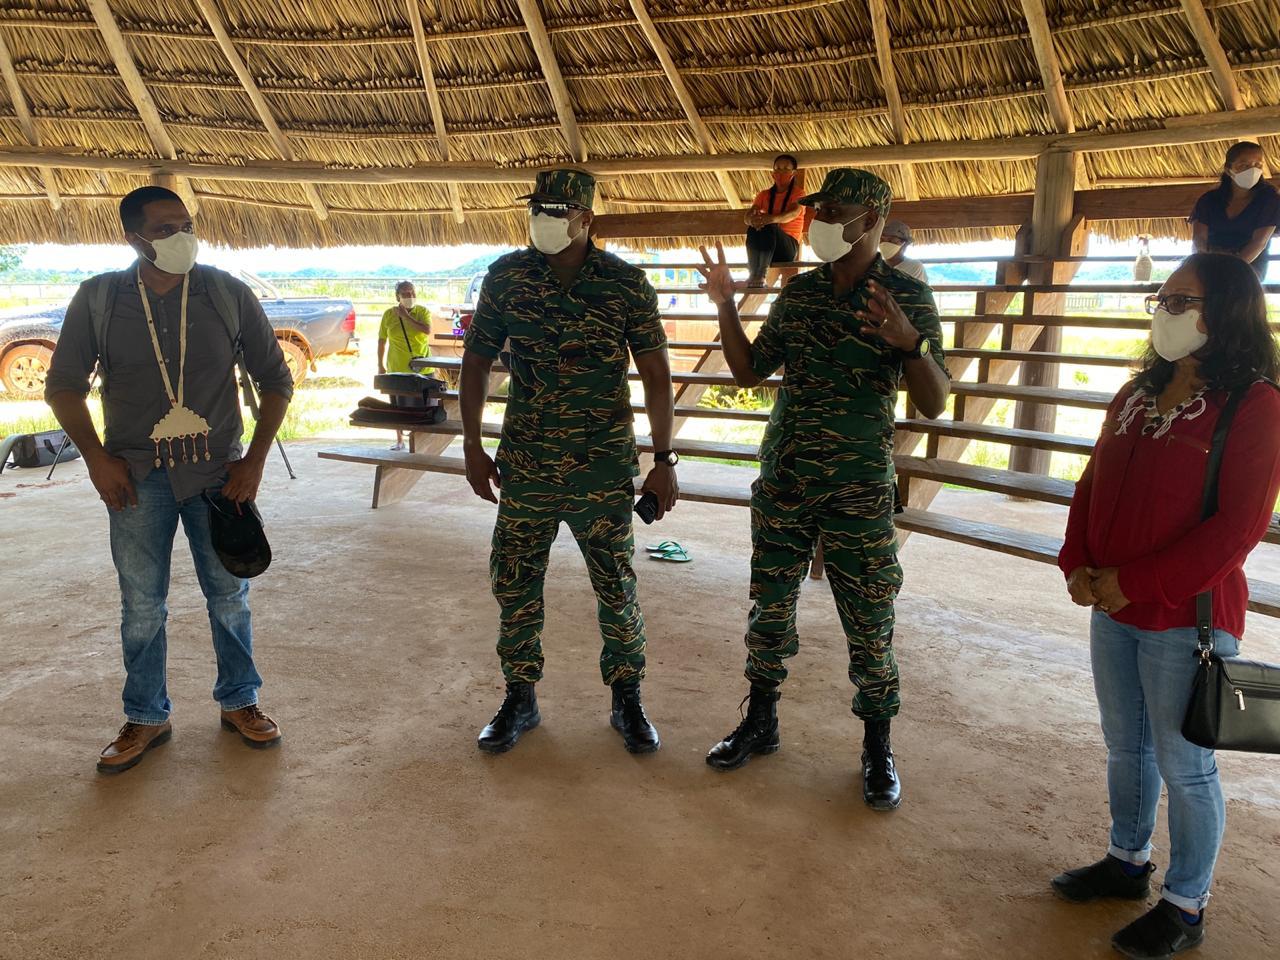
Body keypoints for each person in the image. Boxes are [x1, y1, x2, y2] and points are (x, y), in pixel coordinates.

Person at [696, 168, 950, 809]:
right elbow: (751, 370)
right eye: (817, 211)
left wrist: (909, 343)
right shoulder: (801, 292)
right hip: (785, 477)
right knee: (769, 606)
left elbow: (934, 403)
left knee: (869, 619)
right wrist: (727, 307)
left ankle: (876, 748)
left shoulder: (908, 297)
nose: (819, 222)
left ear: (870, 221)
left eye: (834, 210)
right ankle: (760, 720)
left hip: (858, 486)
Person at [1054, 253, 1280, 959]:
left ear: (1228, 313)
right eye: (1163, 297)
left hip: (1189, 618)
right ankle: (1127, 861)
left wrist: (1135, 581)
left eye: (1184, 300)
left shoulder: (1256, 403)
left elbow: (1237, 528)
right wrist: (1078, 563)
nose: (1166, 310)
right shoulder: (1131, 394)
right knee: (1126, 745)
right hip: (1112, 607)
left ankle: (1186, 905)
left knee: (1187, 768)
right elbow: (1091, 483)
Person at [44, 186, 294, 774]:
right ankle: (146, 716)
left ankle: (241, 701)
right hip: (134, 477)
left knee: (229, 594)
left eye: (186, 224)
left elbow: (277, 381)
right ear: (133, 238)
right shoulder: (100, 299)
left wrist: (254, 460)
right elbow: (62, 386)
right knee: (141, 605)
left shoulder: (227, 293)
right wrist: (96, 459)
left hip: (217, 477)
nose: (183, 236)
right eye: (165, 229)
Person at [459, 169, 678, 756]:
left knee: (615, 586)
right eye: (539, 209)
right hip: (526, 464)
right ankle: (519, 696)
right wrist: (472, 444)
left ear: (586, 219)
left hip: (601, 466)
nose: (544, 221)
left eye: (558, 211)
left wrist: (664, 459)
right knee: (515, 583)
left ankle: (627, 698)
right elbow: (476, 362)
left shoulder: (626, 285)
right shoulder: (506, 277)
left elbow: (657, 374)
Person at [1189, 141, 1279, 278]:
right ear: (1228, 169)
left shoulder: (1269, 200)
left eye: (1258, 165)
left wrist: (1232, 269)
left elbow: (1259, 243)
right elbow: (1199, 239)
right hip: (1210, 262)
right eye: (1244, 165)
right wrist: (1207, 262)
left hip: (1249, 266)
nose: (1252, 170)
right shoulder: (1209, 200)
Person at [377, 280, 433, 450]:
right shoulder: (388, 314)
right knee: (396, 406)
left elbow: (426, 330)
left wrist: (406, 317)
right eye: (406, 294)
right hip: (396, 367)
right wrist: (380, 364)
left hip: (423, 366)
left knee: (425, 406)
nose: (410, 296)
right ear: (398, 297)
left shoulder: (422, 311)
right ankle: (400, 440)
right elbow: (381, 340)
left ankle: (421, 442)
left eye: (413, 293)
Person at [743, 154, 805, 289]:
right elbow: (749, 215)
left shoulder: (798, 194)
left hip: (787, 249)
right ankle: (753, 273)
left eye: (785, 169)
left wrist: (770, 219)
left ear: (793, 173)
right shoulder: (764, 195)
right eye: (777, 169)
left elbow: (793, 213)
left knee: (769, 226)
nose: (780, 173)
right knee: (753, 229)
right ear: (772, 173)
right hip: (767, 247)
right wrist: (751, 220)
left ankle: (761, 274)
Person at [880, 219, 928, 283]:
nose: (884, 244)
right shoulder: (877, 266)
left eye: (890, 240)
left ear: (903, 242)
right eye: (882, 240)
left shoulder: (914, 266)